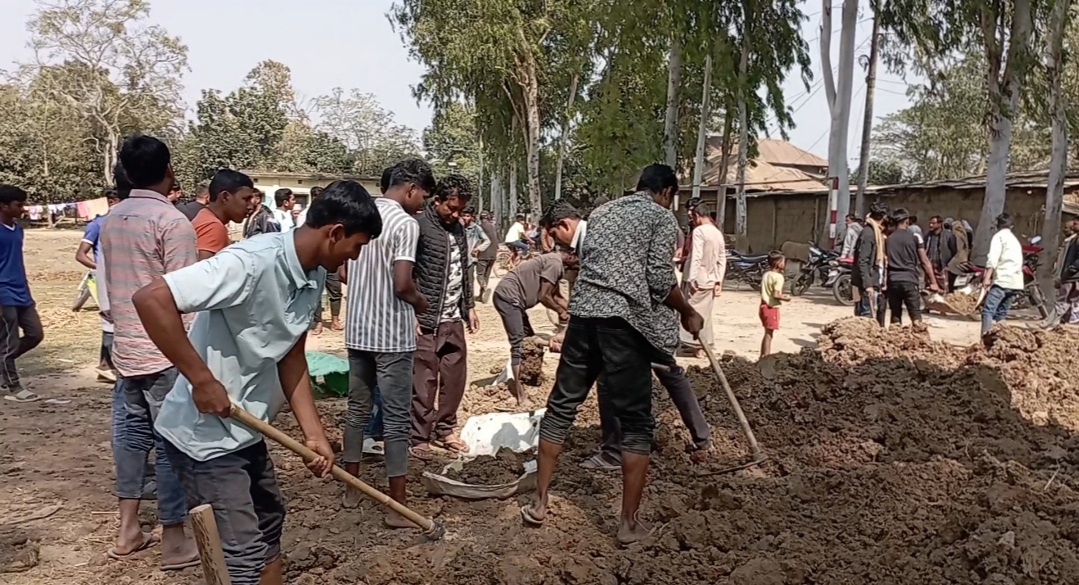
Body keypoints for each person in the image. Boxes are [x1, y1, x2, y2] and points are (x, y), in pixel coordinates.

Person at [136, 180, 380, 585]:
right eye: (355, 246)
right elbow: (151, 299)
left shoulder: (312, 273)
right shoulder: (248, 263)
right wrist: (200, 379)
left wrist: (314, 433)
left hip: (247, 429)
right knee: (241, 554)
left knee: (269, 525)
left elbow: (291, 353)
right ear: (334, 233)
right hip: (204, 439)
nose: (352, 258)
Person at [522, 164, 705, 545]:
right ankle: (628, 522)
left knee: (561, 407)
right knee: (637, 423)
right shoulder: (660, 218)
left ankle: (539, 502)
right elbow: (658, 279)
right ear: (667, 192)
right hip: (622, 325)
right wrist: (686, 310)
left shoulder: (602, 212)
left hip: (583, 318)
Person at [99, 135, 198, 569]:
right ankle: (174, 538)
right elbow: (184, 296)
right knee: (173, 440)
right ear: (169, 170)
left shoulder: (112, 218)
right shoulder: (172, 222)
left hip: (126, 349)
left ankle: (128, 527)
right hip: (165, 352)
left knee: (130, 438)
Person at [339, 158, 432, 524]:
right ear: (410, 189)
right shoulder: (405, 224)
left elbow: (344, 270)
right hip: (391, 335)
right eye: (422, 194)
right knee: (395, 419)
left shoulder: (362, 214)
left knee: (356, 410)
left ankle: (351, 489)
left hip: (357, 329)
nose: (422, 203)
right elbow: (402, 283)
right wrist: (422, 305)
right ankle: (397, 506)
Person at [411, 174, 479, 459]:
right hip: (425, 318)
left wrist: (470, 306)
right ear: (436, 200)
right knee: (424, 380)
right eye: (451, 208)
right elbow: (408, 272)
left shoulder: (460, 230)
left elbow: (464, 270)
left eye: (460, 210)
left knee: (454, 376)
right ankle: (418, 437)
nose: (455, 214)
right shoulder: (419, 227)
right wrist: (411, 312)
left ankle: (446, 428)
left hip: (453, 316)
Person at [493, 250, 576, 409]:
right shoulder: (555, 263)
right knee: (520, 346)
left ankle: (530, 380)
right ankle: (521, 396)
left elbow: (557, 296)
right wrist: (560, 312)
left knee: (530, 341)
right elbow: (543, 296)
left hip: (514, 301)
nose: (577, 267)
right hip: (508, 297)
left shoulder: (556, 264)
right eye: (578, 262)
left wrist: (574, 312)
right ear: (571, 255)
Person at [0, 185, 44, 403]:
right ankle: (14, 387)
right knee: (9, 340)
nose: (23, 208)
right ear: (4, 206)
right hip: (2, 292)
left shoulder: (18, 228)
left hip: (21, 290)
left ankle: (3, 366)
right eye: (18, 205)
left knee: (35, 334)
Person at [76, 187, 122, 382]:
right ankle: (108, 365)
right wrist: (100, 268)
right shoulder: (98, 224)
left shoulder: (122, 221)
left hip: (121, 276)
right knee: (110, 318)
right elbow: (80, 254)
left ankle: (106, 364)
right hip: (105, 278)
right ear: (112, 201)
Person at [679, 201, 725, 357]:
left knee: (692, 312)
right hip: (710, 279)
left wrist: (692, 278)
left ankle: (698, 346)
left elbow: (697, 257)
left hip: (698, 279)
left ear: (698, 215)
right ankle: (699, 346)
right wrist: (719, 280)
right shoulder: (716, 232)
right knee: (705, 313)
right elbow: (722, 258)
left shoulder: (699, 232)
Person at [884, 208, 938, 325]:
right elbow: (924, 260)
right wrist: (933, 282)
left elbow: (884, 261)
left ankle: (894, 338)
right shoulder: (915, 237)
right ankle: (919, 338)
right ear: (906, 221)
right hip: (910, 280)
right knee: (915, 314)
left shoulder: (888, 239)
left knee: (895, 314)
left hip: (893, 280)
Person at [301, 187, 344, 334]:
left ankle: (335, 320)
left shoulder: (334, 215)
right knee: (316, 292)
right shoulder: (306, 216)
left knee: (335, 289)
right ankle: (318, 322)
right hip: (316, 260)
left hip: (332, 258)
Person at [192, 170, 255, 259]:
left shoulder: (205, 216)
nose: (250, 206)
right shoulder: (213, 227)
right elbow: (205, 271)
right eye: (246, 199)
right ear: (225, 197)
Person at [981, 213, 1024, 339]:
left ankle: (984, 340)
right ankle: (1003, 341)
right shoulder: (1014, 240)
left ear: (997, 225)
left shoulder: (998, 237)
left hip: (1002, 281)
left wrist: (987, 278)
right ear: (1012, 226)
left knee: (988, 311)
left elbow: (992, 260)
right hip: (1015, 283)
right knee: (1001, 314)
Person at [852, 201, 888, 320]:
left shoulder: (876, 232)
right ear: (883, 217)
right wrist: (868, 285)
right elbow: (862, 261)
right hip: (866, 284)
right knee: (866, 316)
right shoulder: (869, 234)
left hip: (873, 280)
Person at [1045, 220, 1079, 327]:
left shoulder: (1074, 241)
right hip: (1069, 275)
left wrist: (1069, 270)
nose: (1073, 226)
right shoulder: (1073, 240)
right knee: (1068, 302)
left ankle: (1048, 322)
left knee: (1063, 300)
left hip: (1072, 277)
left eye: (1076, 223)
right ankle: (1062, 325)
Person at [759, 251, 790, 357]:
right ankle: (766, 357)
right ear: (778, 263)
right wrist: (785, 298)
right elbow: (776, 295)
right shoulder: (779, 277)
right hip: (771, 307)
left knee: (766, 333)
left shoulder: (766, 274)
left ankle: (762, 355)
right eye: (783, 261)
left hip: (763, 306)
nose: (785, 264)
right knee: (769, 335)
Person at [461, 207, 491, 297]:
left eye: (467, 216)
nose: (465, 218)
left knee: (470, 281)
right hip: (458, 259)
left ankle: (470, 301)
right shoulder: (458, 227)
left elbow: (487, 241)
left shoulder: (476, 228)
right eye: (463, 216)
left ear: (472, 217)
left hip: (470, 259)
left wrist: (478, 248)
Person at [925, 215, 957, 293]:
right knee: (930, 288)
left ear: (939, 224)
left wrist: (948, 264)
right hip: (931, 267)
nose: (931, 225)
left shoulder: (948, 236)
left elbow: (954, 251)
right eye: (930, 223)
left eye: (933, 223)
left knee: (943, 289)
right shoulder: (928, 236)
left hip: (942, 267)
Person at [475, 210, 500, 301]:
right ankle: (481, 295)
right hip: (493, 254)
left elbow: (478, 240)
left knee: (480, 274)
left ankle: (484, 287)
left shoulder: (480, 227)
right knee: (486, 275)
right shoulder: (493, 227)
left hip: (483, 254)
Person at [946, 217, 970, 290]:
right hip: (963, 260)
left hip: (957, 261)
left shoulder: (956, 234)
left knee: (953, 282)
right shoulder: (962, 232)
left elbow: (957, 248)